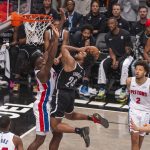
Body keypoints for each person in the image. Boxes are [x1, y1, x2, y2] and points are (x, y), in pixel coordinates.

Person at [49, 45, 109, 149]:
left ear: (84, 58)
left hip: (61, 94)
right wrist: (88, 50)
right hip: (70, 94)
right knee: (70, 115)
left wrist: (79, 48)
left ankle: (80, 131)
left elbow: (63, 47)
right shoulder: (82, 69)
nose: (80, 52)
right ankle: (92, 118)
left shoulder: (72, 63)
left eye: (82, 53)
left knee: (55, 126)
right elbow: (93, 58)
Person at [27, 24, 62, 150]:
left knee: (58, 134)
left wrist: (61, 23)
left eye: (42, 56)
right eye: (40, 57)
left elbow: (51, 44)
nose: (43, 57)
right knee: (40, 140)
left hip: (49, 105)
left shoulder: (43, 65)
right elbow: (52, 56)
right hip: (42, 106)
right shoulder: (42, 73)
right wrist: (57, 39)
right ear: (35, 63)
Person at [97, 17, 133, 101]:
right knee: (102, 63)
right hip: (114, 56)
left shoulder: (125, 33)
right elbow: (110, 50)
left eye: (112, 23)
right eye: (109, 24)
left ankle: (124, 89)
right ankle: (102, 88)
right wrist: (114, 60)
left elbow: (128, 51)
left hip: (127, 56)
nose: (110, 25)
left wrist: (118, 61)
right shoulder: (107, 36)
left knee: (124, 64)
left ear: (116, 23)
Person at [127, 60, 150, 150]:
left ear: (145, 72)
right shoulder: (129, 81)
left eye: (140, 70)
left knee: (139, 140)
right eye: (136, 69)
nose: (137, 71)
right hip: (133, 110)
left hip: (146, 112)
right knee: (134, 138)